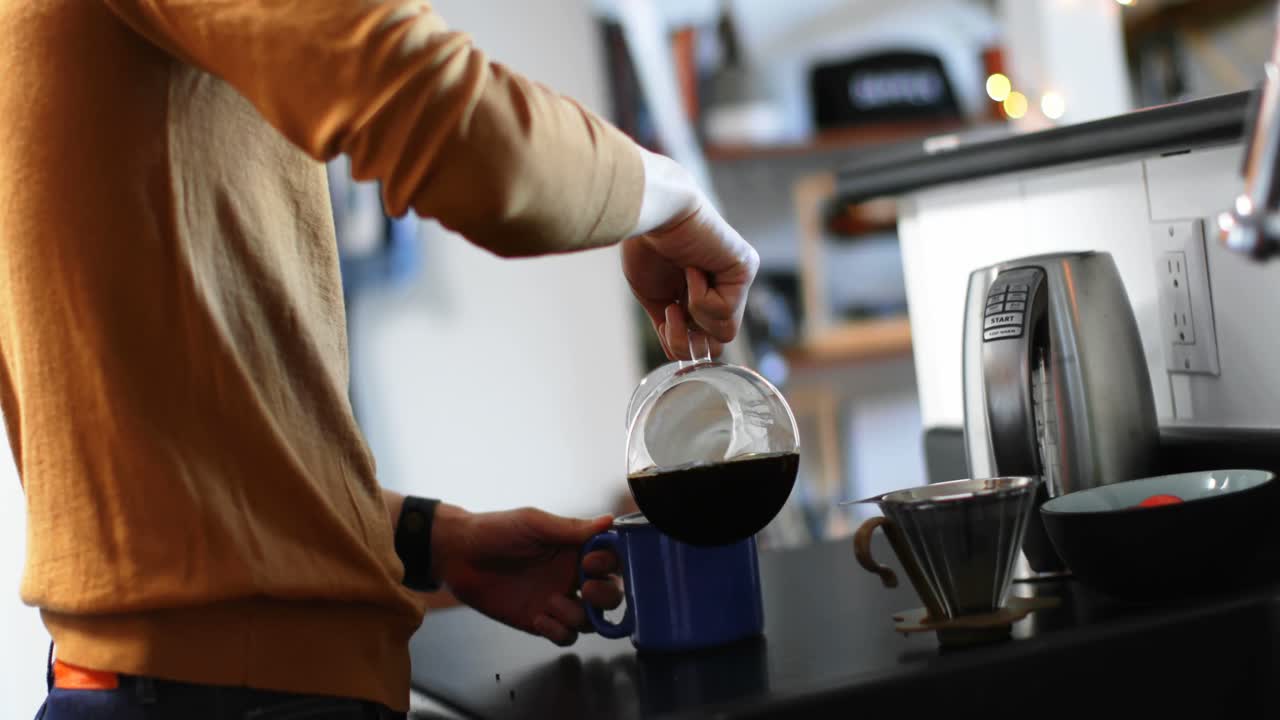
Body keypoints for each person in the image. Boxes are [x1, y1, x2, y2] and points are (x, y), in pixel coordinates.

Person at [0, 2, 759, 719]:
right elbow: (474, 139)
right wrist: (675, 196)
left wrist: (432, 539)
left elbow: (145, 444)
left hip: (145, 684)